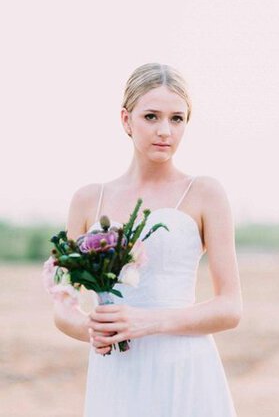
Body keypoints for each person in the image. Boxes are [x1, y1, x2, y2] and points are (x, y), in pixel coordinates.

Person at [53, 62, 243, 416]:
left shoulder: (204, 193)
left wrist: (148, 322)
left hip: (185, 369)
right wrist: (91, 328)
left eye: (177, 119)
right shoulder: (87, 199)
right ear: (126, 120)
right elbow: (63, 305)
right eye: (151, 117)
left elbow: (230, 308)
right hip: (115, 372)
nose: (165, 131)